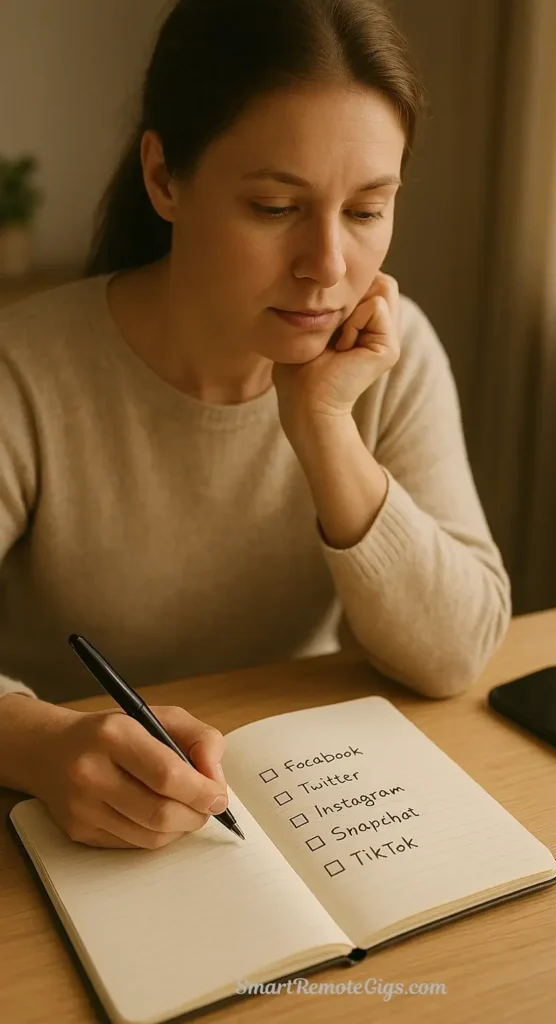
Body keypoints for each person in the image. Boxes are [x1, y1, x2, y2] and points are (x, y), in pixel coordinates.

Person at [0, 0, 511, 850]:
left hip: (297, 802)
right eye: (275, 207)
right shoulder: (23, 369)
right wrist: (37, 743)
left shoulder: (390, 349)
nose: (326, 268)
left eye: (365, 210)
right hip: (57, 825)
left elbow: (455, 652)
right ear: (164, 178)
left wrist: (322, 425)